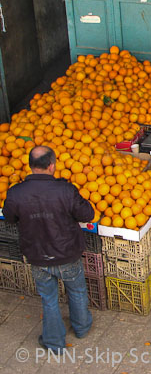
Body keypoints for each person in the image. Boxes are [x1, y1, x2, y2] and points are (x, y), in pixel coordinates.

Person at [3, 146, 94, 353]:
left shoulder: (16, 193)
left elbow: (9, 217)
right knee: (77, 291)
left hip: (37, 255)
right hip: (67, 253)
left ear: (29, 165)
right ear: (52, 165)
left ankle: (54, 342)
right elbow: (87, 214)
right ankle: (82, 328)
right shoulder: (66, 190)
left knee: (49, 299)